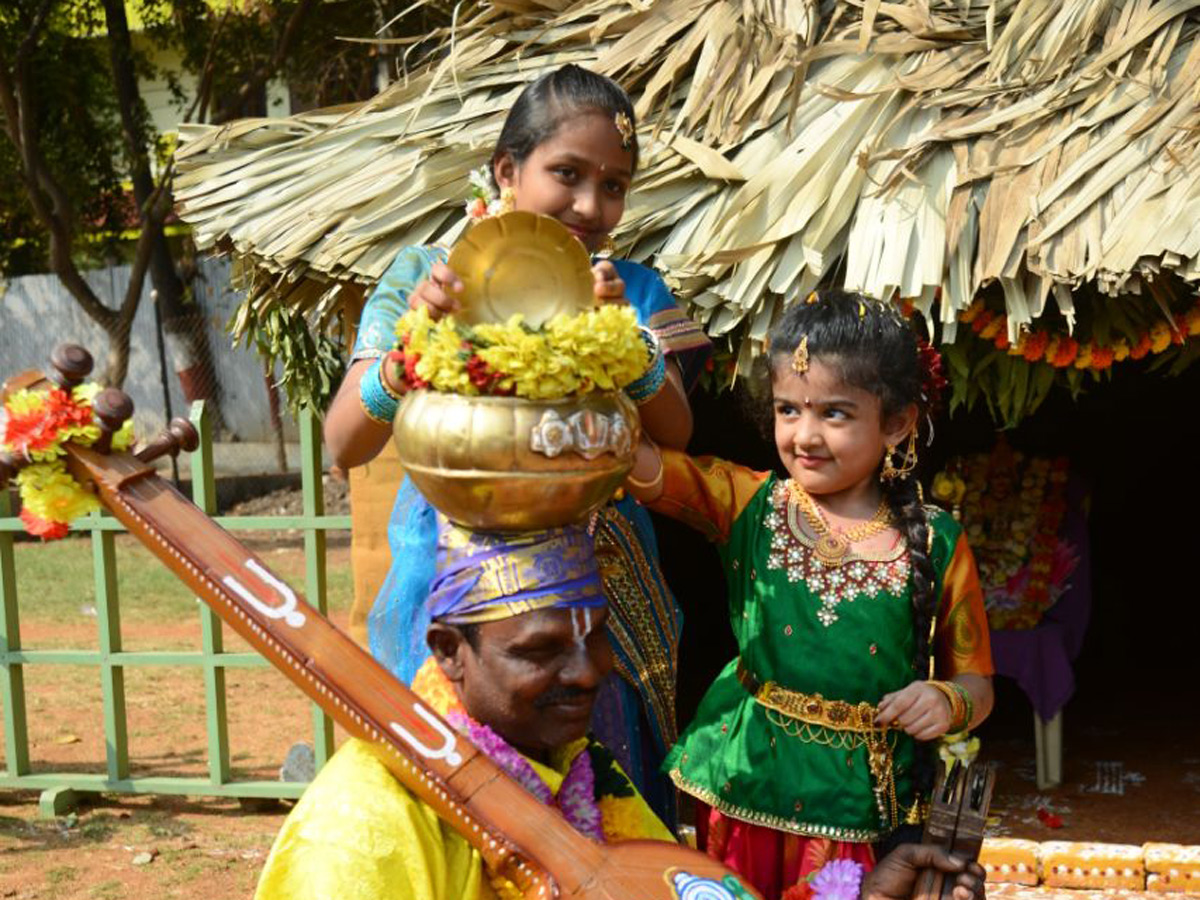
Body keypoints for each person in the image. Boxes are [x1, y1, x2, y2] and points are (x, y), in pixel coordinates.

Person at [321, 64, 710, 827]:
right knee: (456, 805)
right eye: (567, 173)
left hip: (595, 595)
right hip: (454, 577)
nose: (592, 206)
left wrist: (622, 342)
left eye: (615, 185)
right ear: (507, 169)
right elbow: (344, 440)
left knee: (603, 802)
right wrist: (415, 347)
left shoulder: (631, 287)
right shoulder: (426, 276)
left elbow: (677, 431)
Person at [254, 518, 988, 900]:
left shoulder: (584, 776)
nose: (587, 674)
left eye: (598, 638)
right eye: (540, 650)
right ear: (449, 651)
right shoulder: (361, 827)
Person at [623, 291, 995, 900]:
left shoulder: (937, 540)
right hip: (744, 787)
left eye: (836, 414)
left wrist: (946, 700)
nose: (805, 435)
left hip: (865, 807)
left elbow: (978, 683)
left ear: (896, 422)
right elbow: (643, 467)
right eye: (787, 410)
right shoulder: (748, 502)